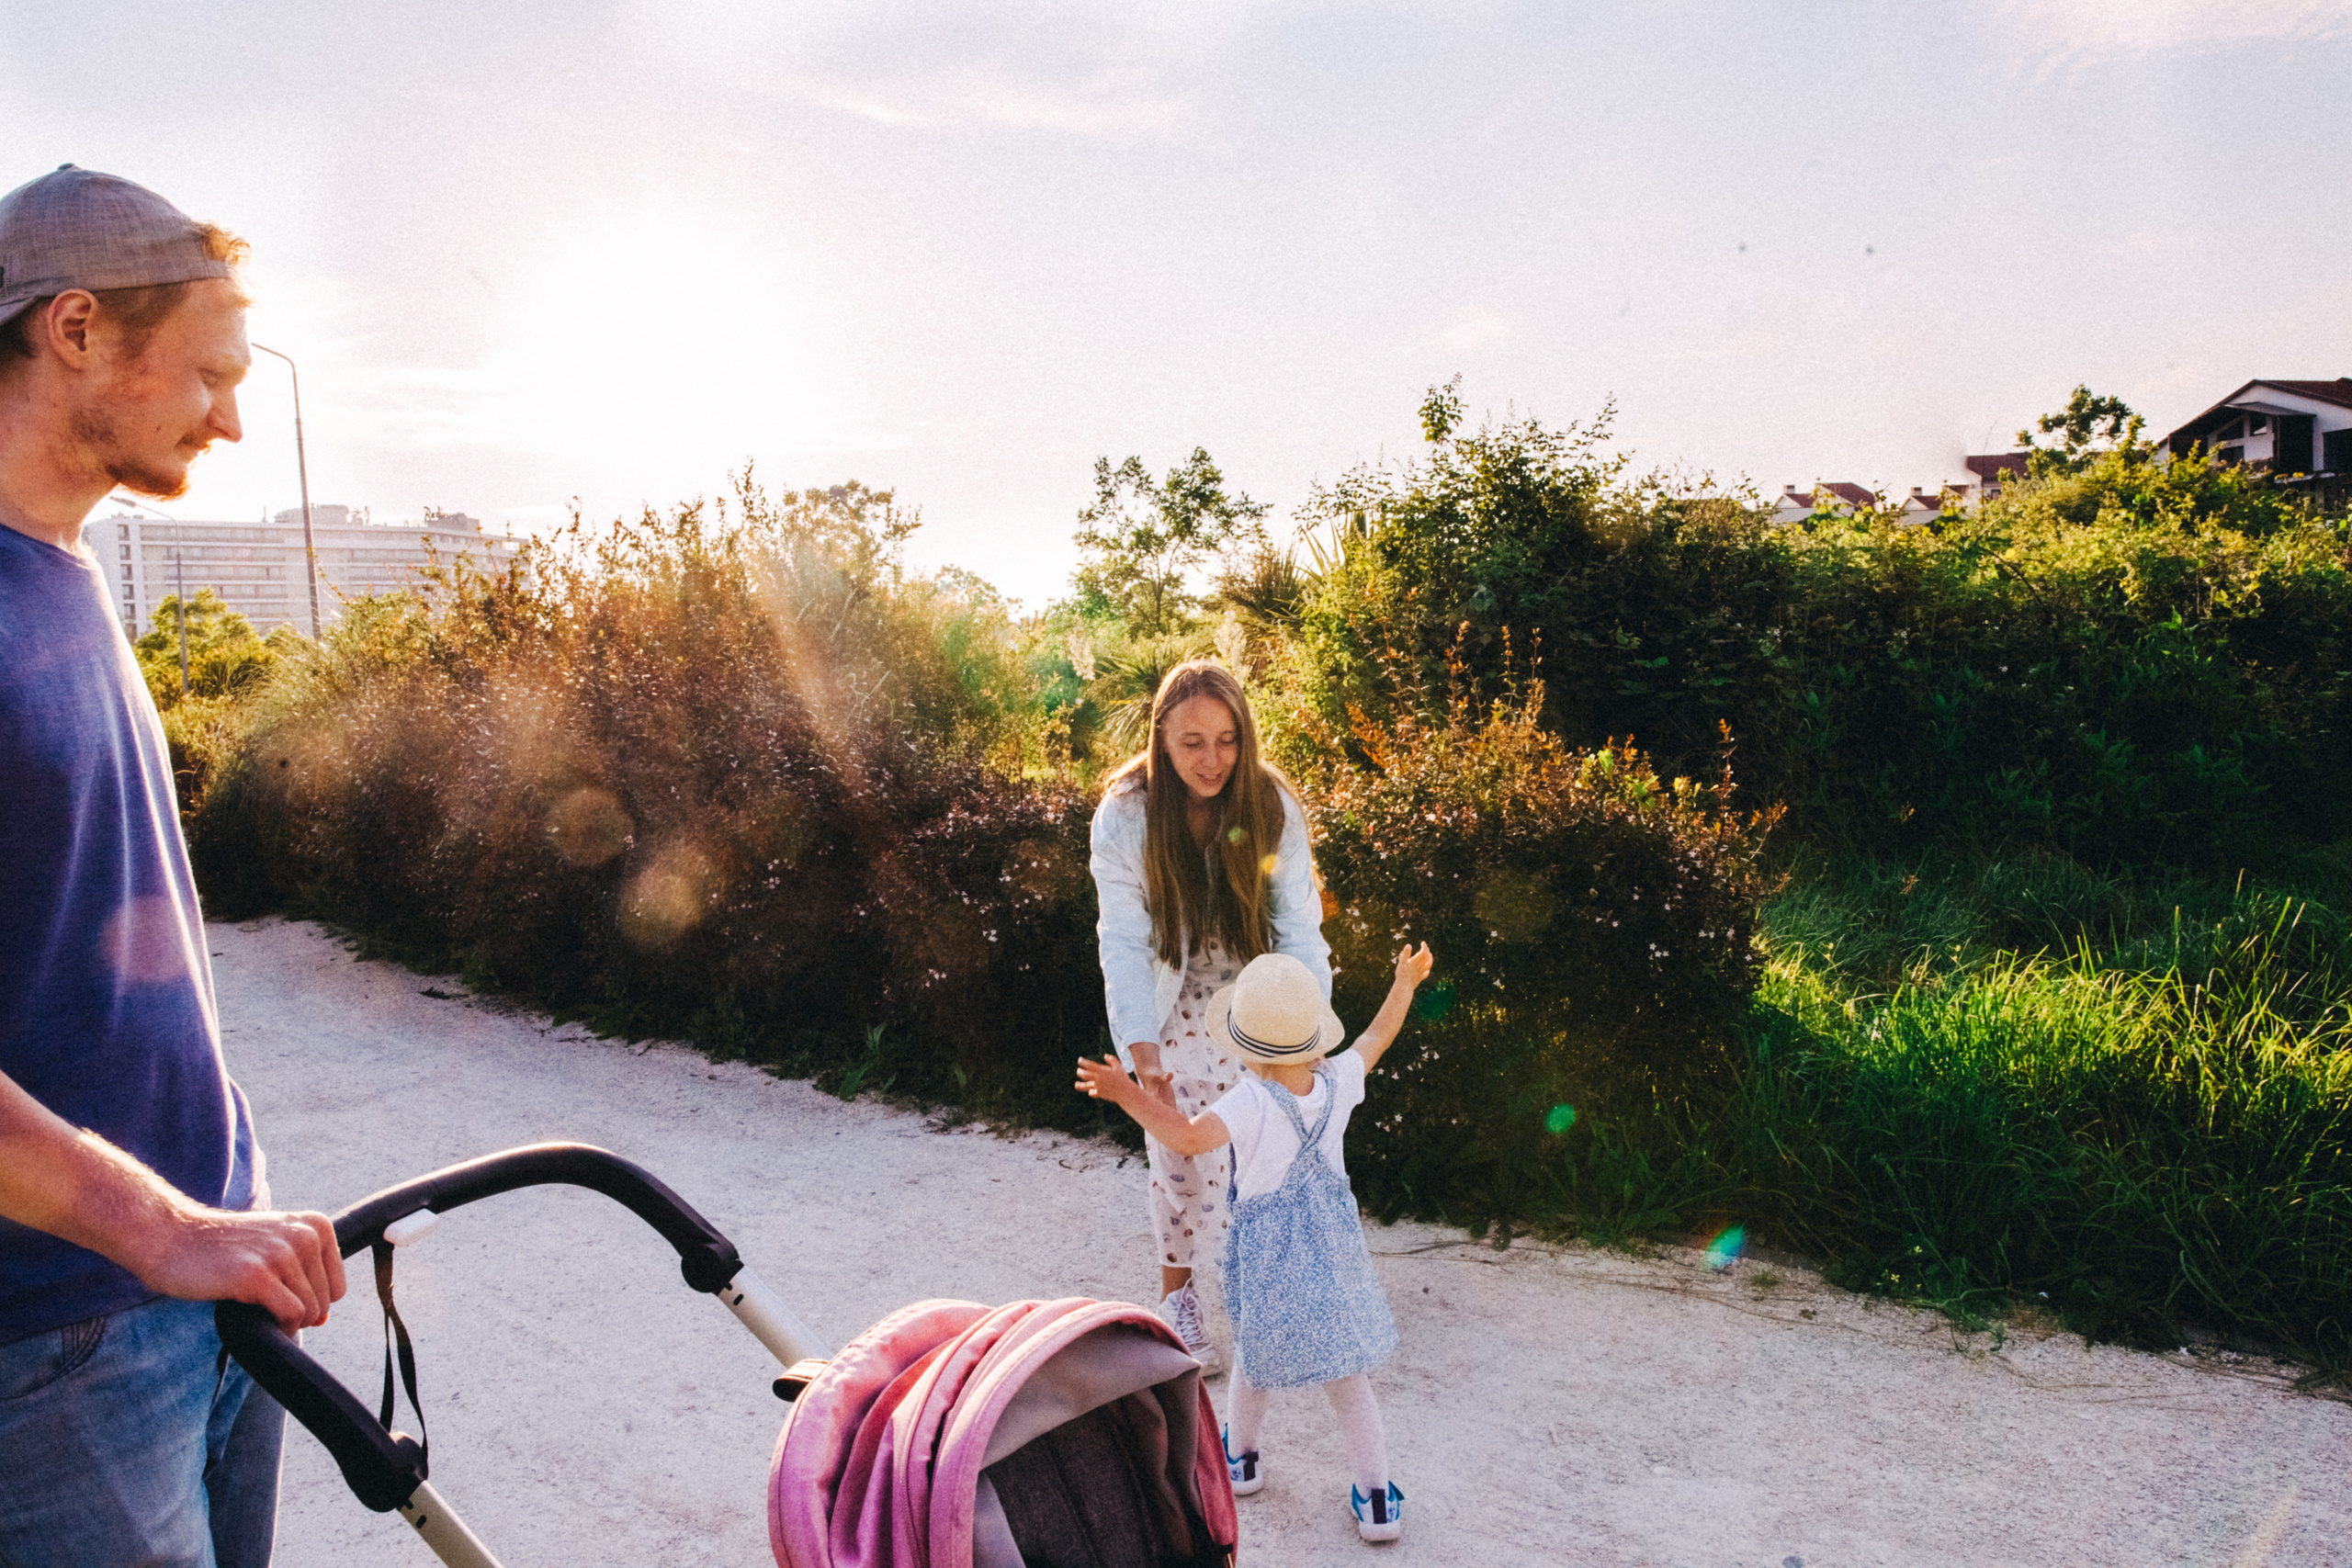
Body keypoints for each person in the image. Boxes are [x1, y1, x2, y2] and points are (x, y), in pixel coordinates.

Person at [0, 165, 347, 1567]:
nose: (235, 414)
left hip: (188, 1289)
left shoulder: (65, 569)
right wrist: (154, 1225)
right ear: (78, 328)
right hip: (50, 1341)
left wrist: (208, 1221)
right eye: (209, 373)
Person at [1078, 942, 1435, 1544]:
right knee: (1349, 1381)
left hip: (1272, 1259)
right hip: (1332, 1256)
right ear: (1314, 1032)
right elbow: (1376, 1037)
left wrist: (1126, 1092)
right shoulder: (1337, 1080)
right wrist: (1404, 982)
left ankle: (1240, 1460)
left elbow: (1186, 1138)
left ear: (1244, 1044)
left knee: (1255, 1356)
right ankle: (1377, 1499)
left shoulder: (1250, 1101)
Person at [1089, 658, 1332, 1369]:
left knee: (1265, 1144)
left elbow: (1299, 926)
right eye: (1193, 741)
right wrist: (1143, 1053)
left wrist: (1306, 1039)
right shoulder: (1127, 811)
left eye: (1227, 739)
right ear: (1161, 734)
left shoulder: (1271, 802)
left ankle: (1263, 1286)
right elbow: (1123, 939)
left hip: (1257, 993)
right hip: (1172, 994)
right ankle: (1178, 1295)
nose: (1212, 759)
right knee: (1178, 1145)